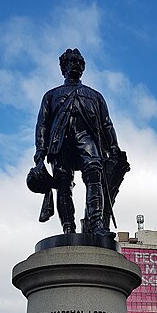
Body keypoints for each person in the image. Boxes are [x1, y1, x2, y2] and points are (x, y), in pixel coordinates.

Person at [28, 48, 127, 237]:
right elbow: (42, 124)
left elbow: (107, 124)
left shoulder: (95, 96)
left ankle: (97, 225)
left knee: (94, 177)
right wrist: (40, 151)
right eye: (71, 61)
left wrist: (114, 146)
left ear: (83, 67)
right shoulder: (51, 95)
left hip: (87, 140)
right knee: (63, 185)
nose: (75, 64)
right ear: (63, 67)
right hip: (59, 143)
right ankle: (68, 228)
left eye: (79, 62)